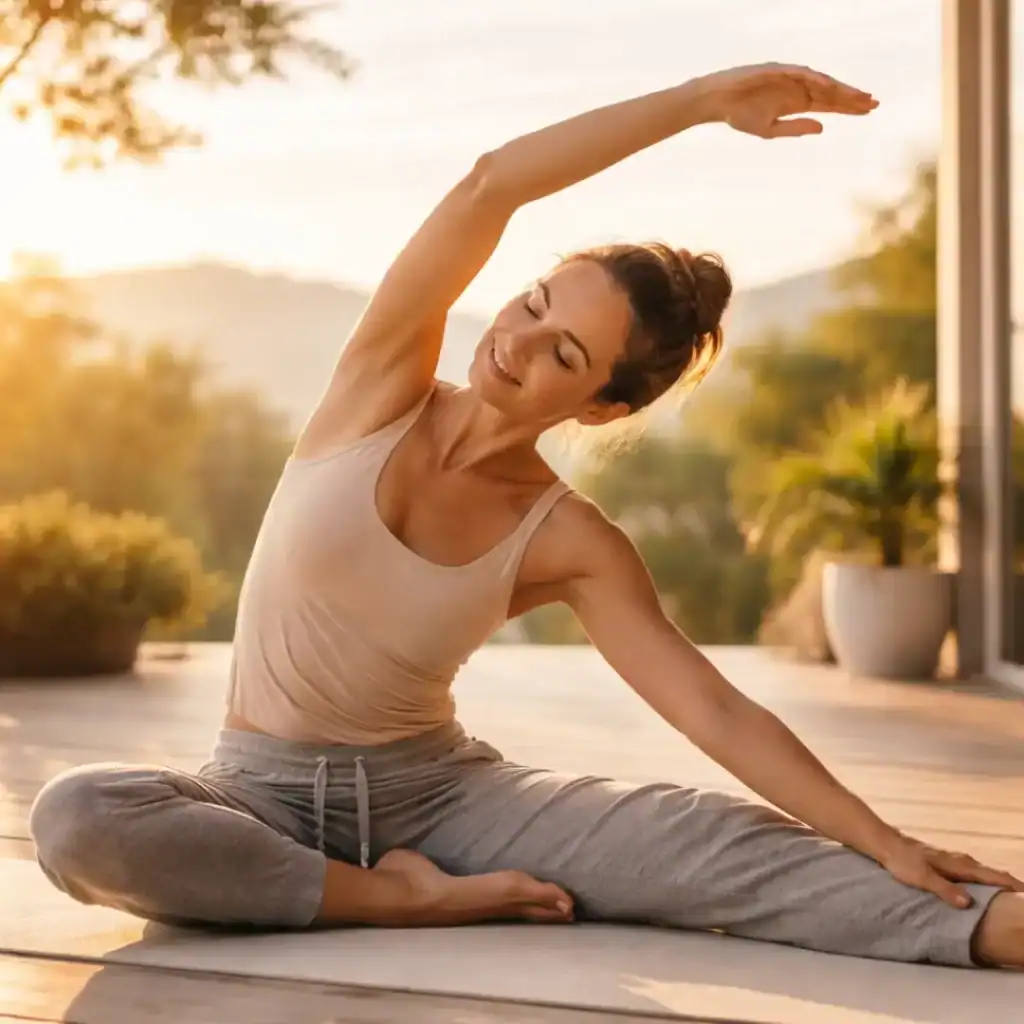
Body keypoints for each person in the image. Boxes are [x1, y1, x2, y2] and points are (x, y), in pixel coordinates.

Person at [29, 63, 1024, 967]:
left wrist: (885, 839)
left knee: (707, 844)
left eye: (564, 353)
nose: (517, 342)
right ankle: (396, 903)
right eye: (534, 304)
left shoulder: (568, 538)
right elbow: (488, 184)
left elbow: (713, 710)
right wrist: (693, 105)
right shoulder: (376, 390)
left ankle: (979, 924)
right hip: (252, 789)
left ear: (599, 406)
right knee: (79, 816)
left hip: (448, 799)